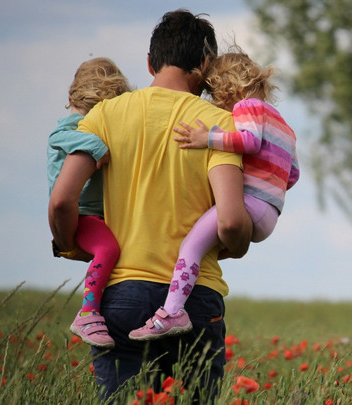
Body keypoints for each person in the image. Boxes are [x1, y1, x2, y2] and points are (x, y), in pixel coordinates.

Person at [48, 9, 252, 400]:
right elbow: (230, 221)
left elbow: (61, 201)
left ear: (149, 62)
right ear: (206, 65)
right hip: (195, 298)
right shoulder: (217, 125)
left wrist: (71, 244)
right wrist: (237, 245)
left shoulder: (103, 115)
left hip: (121, 293)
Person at [129, 48, 300, 341]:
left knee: (190, 247)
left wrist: (206, 138)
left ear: (227, 87)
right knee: (205, 246)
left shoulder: (248, 107)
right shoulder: (284, 125)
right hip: (270, 212)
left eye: (213, 93)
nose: (214, 101)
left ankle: (171, 312)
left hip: (249, 204)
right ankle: (181, 297)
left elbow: (249, 141)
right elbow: (293, 174)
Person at [47, 57, 130, 349]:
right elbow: (59, 137)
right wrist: (96, 146)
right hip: (81, 214)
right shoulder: (74, 126)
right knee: (108, 248)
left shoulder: (86, 123)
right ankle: (88, 312)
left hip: (95, 214)